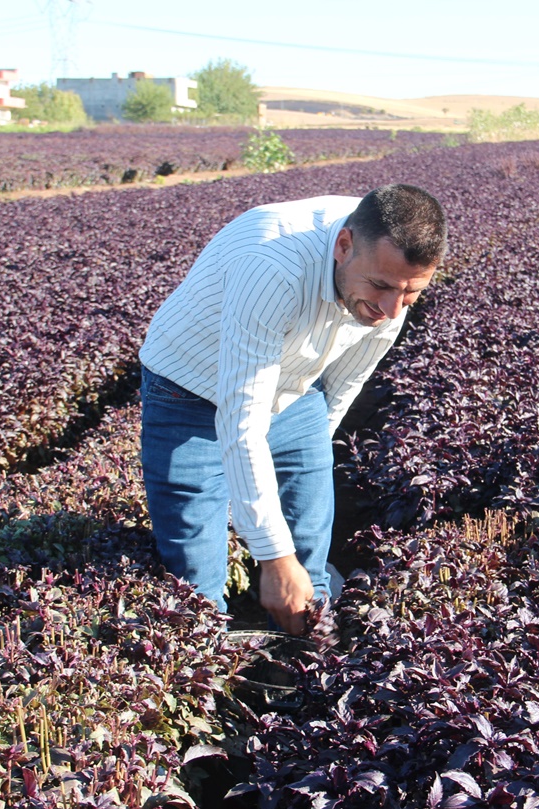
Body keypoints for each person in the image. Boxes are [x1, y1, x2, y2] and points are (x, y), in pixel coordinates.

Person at [138, 184, 447, 635]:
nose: (391, 309)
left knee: (308, 557)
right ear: (344, 246)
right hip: (189, 391)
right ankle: (215, 654)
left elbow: (345, 385)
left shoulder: (391, 280)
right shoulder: (273, 264)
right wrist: (273, 556)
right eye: (380, 286)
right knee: (197, 585)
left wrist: (296, 476)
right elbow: (242, 419)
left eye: (411, 293)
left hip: (295, 386)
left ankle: (306, 659)